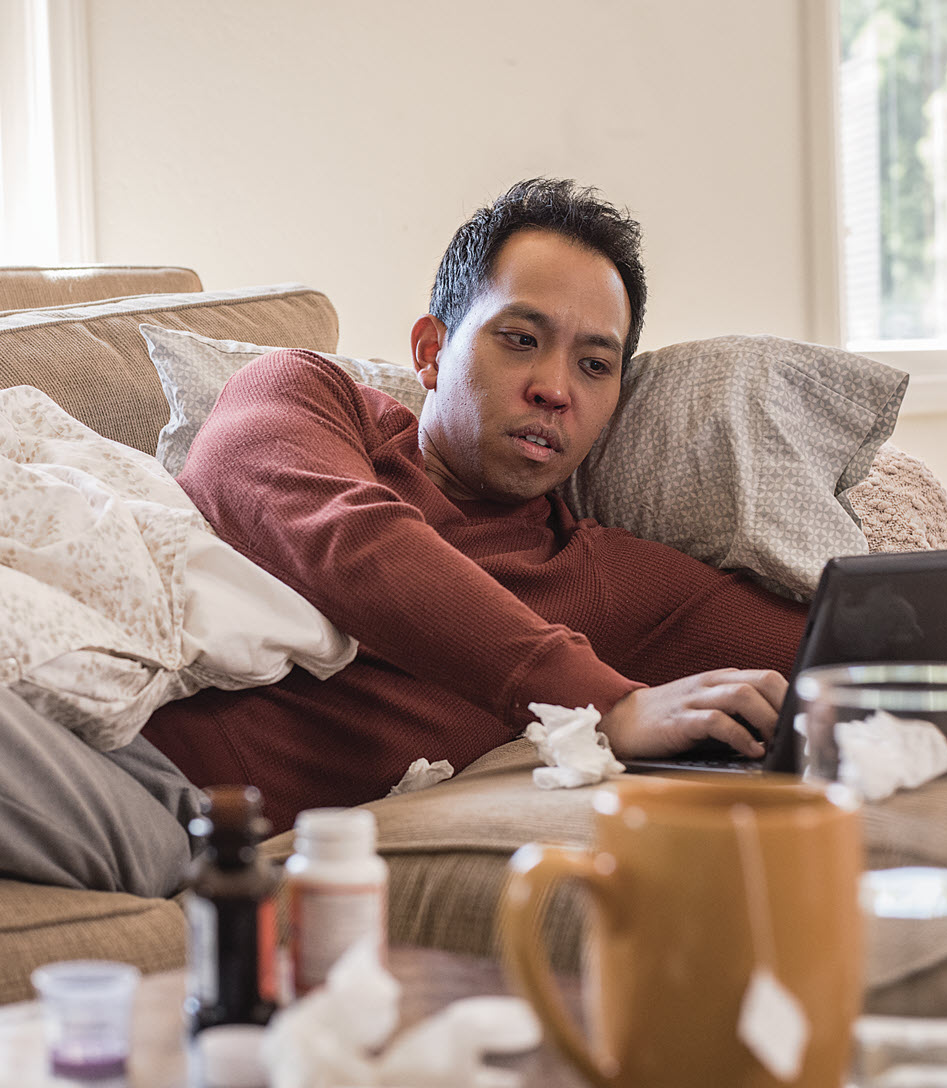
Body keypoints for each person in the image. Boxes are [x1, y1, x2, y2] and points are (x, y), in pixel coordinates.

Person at [1, 178, 806, 896]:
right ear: (431, 350)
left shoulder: (607, 580)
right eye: (520, 338)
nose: (554, 389)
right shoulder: (302, 394)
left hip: (169, 809)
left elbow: (843, 654)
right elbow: (352, 543)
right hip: (74, 706)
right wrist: (609, 701)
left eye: (595, 366)